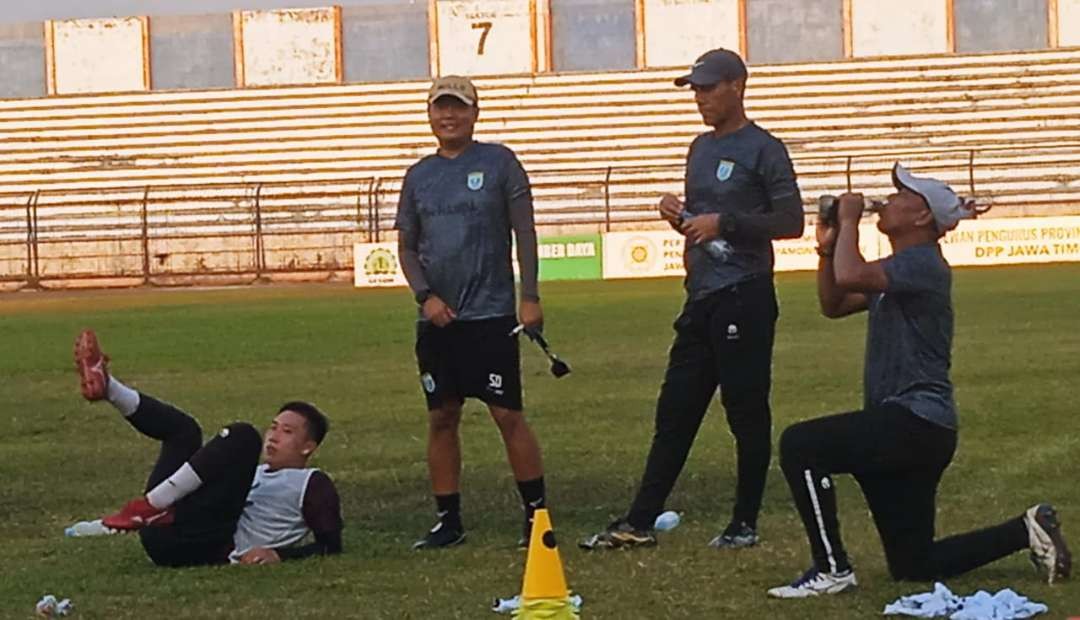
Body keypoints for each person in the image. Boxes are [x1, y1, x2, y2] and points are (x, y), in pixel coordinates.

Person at [767, 163, 1071, 598]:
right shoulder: (902, 267)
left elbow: (851, 275)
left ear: (922, 217)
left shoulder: (922, 263)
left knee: (801, 445)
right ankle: (1026, 529)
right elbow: (834, 302)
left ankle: (831, 568)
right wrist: (826, 250)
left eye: (901, 196)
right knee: (914, 564)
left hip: (913, 421)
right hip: (919, 428)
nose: (887, 201)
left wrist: (849, 219)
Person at [582, 48, 804, 550]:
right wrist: (680, 216)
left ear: (737, 86)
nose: (699, 98)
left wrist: (725, 222)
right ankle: (640, 520)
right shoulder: (699, 149)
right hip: (701, 295)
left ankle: (745, 520)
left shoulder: (765, 149)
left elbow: (790, 222)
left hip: (744, 293)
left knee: (745, 409)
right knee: (675, 409)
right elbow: (703, 223)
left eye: (707, 87)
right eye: (695, 89)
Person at [395, 75, 548, 549]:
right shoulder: (419, 175)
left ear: (475, 112)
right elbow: (405, 246)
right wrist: (426, 296)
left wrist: (531, 295)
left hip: (491, 315)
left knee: (507, 414)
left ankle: (536, 516)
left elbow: (524, 233)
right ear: (429, 114)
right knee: (442, 416)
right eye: (441, 107)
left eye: (458, 107)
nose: (449, 115)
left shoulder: (499, 162)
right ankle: (448, 520)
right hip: (438, 321)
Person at [74, 329, 343, 567]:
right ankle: (110, 388)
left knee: (244, 436)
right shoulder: (255, 472)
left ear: (308, 447)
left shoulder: (311, 483)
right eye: (273, 427)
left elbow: (330, 545)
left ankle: (146, 509)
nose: (273, 436)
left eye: (287, 432)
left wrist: (279, 555)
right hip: (166, 535)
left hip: (210, 546)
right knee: (186, 432)